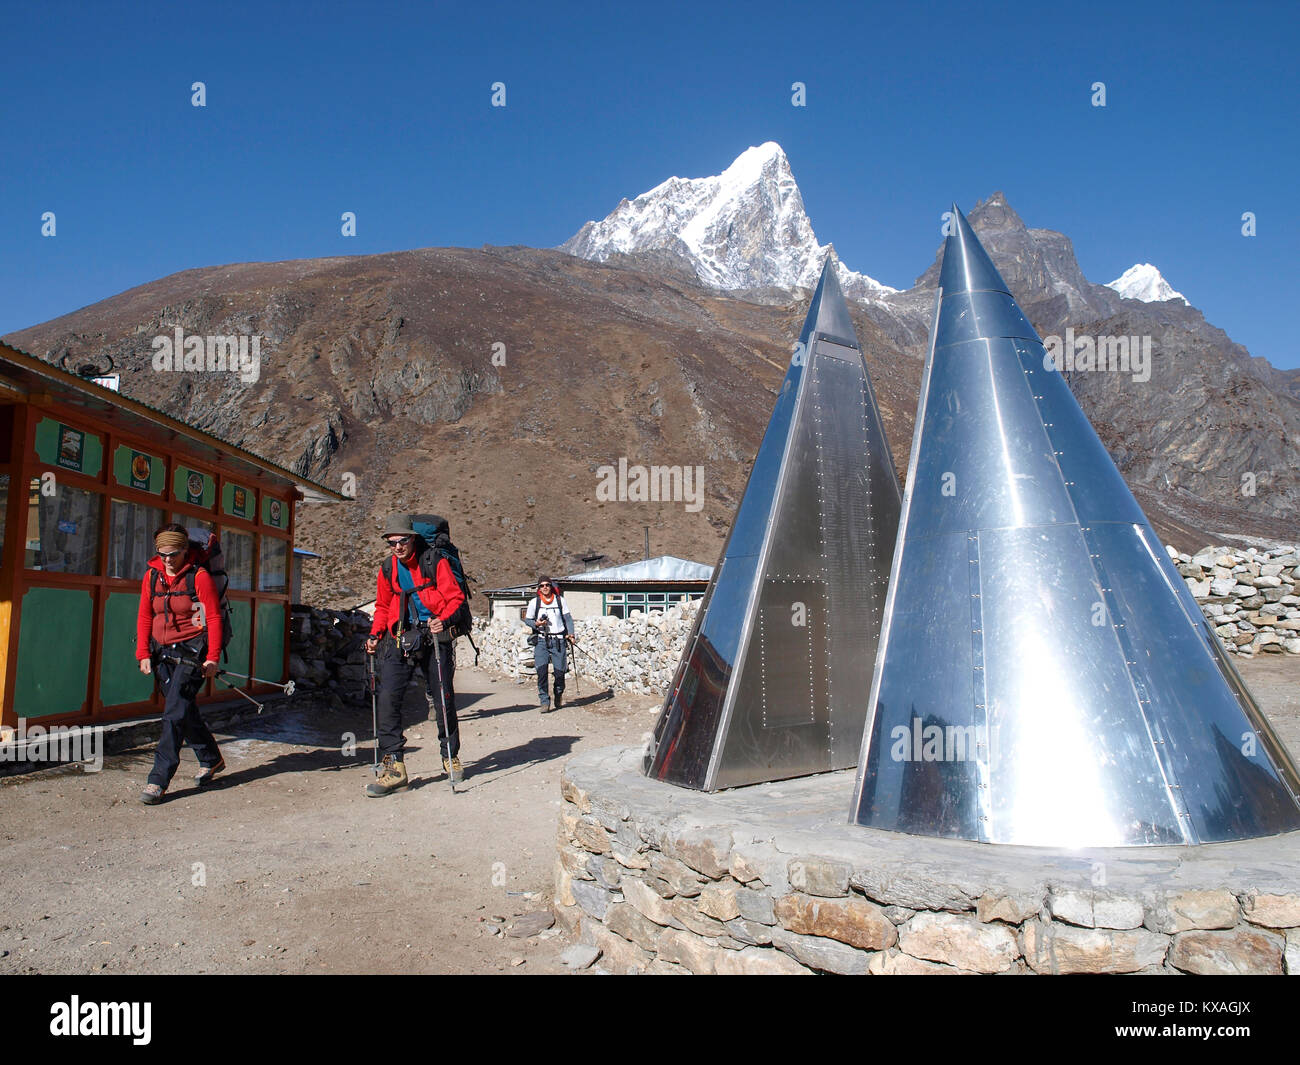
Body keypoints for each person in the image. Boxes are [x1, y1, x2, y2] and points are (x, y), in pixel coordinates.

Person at [364, 514, 466, 796]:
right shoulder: (388, 568)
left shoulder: (434, 561)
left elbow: (455, 597)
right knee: (388, 697)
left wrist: (443, 620)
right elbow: (383, 606)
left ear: (413, 539)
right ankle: (395, 767)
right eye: (391, 542)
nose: (397, 547)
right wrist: (375, 635)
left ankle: (450, 756)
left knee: (443, 696)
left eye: (402, 540)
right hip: (400, 636)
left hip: (434, 635)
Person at [135, 523, 224, 805]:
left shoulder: (199, 578)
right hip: (161, 653)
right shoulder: (152, 577)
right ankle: (211, 758)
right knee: (184, 710)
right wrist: (143, 654)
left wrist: (212, 657)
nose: (168, 560)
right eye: (162, 554)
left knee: (173, 714)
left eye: (173, 554)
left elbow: (213, 619)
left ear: (185, 551)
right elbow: (144, 616)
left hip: (192, 653)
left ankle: (157, 780)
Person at [525, 577, 573, 711]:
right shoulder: (534, 602)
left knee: (559, 672)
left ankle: (558, 693)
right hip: (541, 640)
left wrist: (571, 634)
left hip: (559, 640)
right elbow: (527, 620)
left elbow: (568, 619)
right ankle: (544, 701)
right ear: (538, 588)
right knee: (541, 672)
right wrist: (537, 623)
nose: (545, 587)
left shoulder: (560, 601)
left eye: (547, 585)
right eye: (542, 586)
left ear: (551, 586)